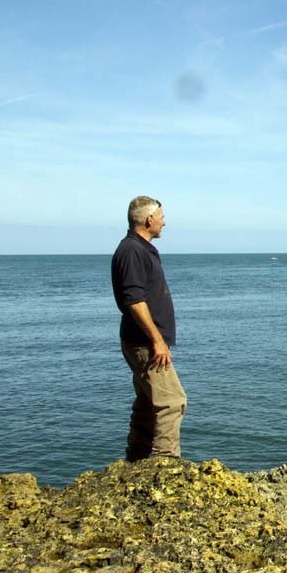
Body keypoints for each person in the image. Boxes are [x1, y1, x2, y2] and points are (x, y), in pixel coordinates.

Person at [110, 196, 187, 461]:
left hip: (141, 340)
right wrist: (157, 341)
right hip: (144, 342)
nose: (165, 222)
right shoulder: (132, 251)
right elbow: (134, 300)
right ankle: (165, 466)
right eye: (162, 217)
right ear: (148, 219)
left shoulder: (140, 249)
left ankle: (136, 461)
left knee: (147, 404)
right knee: (171, 402)